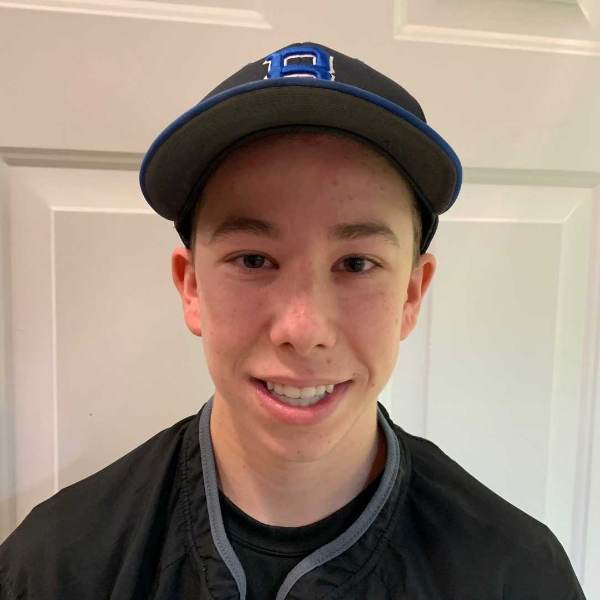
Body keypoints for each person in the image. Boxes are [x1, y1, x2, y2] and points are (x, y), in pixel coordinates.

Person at [0, 42, 587, 600]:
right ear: (192, 286)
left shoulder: (516, 573)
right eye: (254, 260)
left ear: (411, 294)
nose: (303, 330)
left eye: (356, 264)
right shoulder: (55, 566)